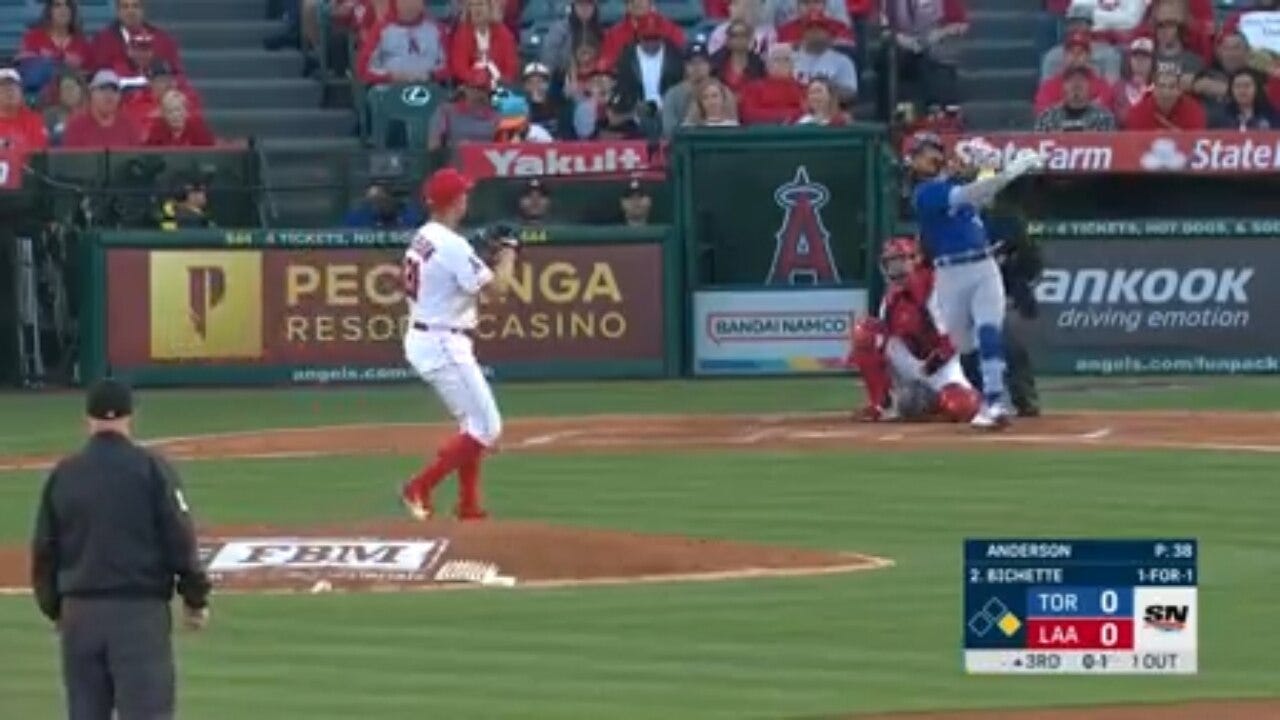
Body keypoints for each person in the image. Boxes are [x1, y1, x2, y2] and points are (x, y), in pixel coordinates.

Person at [31, 379, 211, 720]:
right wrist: (194, 598)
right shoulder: (151, 469)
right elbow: (180, 539)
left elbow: (44, 551)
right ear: (130, 417)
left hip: (80, 616)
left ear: (88, 419)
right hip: (138, 616)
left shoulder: (64, 475)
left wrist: (56, 609)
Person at [399, 168, 519, 521]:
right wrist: (509, 251)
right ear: (456, 202)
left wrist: (483, 251)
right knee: (489, 428)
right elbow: (498, 290)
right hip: (442, 341)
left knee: (472, 425)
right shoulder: (452, 244)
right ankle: (419, 486)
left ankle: (469, 505)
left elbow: (456, 271)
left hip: (429, 336)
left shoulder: (426, 234)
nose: (468, 198)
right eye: (464, 194)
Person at [907, 132, 1045, 429]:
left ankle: (994, 404)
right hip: (950, 274)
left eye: (934, 150)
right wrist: (1009, 171)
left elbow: (984, 195)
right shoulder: (923, 193)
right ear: (913, 161)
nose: (931, 156)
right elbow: (968, 195)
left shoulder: (954, 182)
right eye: (923, 152)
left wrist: (991, 166)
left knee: (989, 331)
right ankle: (985, 397)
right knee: (964, 344)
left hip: (984, 266)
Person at [846, 237, 981, 423]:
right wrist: (892, 378)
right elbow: (883, 342)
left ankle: (930, 402)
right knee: (866, 332)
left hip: (940, 364)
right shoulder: (890, 298)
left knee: (962, 406)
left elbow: (952, 338)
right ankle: (882, 405)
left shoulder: (934, 288)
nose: (895, 270)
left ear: (915, 260)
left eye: (899, 262)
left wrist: (936, 361)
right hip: (910, 360)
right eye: (890, 264)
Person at [878, 0, 968, 119]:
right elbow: (885, 29)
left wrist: (939, 33)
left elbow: (961, 25)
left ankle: (936, 114)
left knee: (932, 62)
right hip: (904, 46)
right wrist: (899, 39)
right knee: (885, 60)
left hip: (934, 45)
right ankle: (888, 118)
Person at [357, 0, 447, 85]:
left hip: (430, 87)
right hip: (392, 89)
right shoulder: (381, 29)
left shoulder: (437, 29)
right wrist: (391, 76)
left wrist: (430, 75)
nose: (410, 4)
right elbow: (364, 69)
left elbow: (449, 65)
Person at [88, 0, 184, 76]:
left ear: (143, 10)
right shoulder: (102, 41)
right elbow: (98, 75)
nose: (131, 11)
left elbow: (177, 74)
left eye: (135, 6)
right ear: (118, 11)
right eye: (125, 7)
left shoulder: (163, 40)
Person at [1033, 30, 1114, 114]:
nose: (1076, 56)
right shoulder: (1049, 87)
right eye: (1071, 52)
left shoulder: (1103, 86)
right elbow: (1041, 113)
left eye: (1080, 52)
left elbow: (1107, 114)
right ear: (1064, 56)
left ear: (1088, 57)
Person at [614, 14, 686, 108]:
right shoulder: (626, 58)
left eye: (655, 38)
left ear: (663, 36)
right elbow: (623, 89)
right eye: (647, 38)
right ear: (638, 36)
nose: (651, 43)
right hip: (636, 112)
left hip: (670, 110)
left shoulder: (676, 56)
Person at [1040, 3, 1121, 82]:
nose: (1076, 27)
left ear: (1091, 26)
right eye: (1072, 23)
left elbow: (1112, 88)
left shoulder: (1108, 54)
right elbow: (1046, 89)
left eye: (1081, 23)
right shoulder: (1052, 56)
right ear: (1065, 27)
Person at [427, 67, 499, 155]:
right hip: (454, 162)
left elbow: (505, 147)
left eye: (483, 90)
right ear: (465, 89)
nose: (479, 93)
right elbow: (433, 146)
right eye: (475, 88)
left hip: (489, 162)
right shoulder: (446, 111)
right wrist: (456, 148)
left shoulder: (495, 116)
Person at [62, 70, 142, 148]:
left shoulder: (129, 125)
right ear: (91, 93)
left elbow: (137, 159)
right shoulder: (76, 126)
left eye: (114, 90)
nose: (109, 95)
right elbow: (72, 160)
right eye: (103, 89)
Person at [18, 0, 92, 82]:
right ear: (49, 11)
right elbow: (26, 70)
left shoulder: (83, 43)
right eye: (57, 5)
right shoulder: (32, 38)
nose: (63, 9)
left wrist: (74, 71)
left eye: (68, 5)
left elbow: (88, 75)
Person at [448, 0, 519, 85]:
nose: (477, 9)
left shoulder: (503, 34)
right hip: (472, 86)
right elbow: (459, 67)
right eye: (472, 5)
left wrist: (502, 80)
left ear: (490, 8)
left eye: (480, 4)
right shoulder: (462, 34)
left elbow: (511, 67)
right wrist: (474, 78)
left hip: (500, 84)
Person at [793, 11, 859, 102]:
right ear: (803, 33)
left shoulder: (843, 61)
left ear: (829, 34)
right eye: (810, 28)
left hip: (829, 112)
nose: (815, 32)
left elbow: (850, 93)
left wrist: (825, 91)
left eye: (820, 28)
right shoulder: (790, 59)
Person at [600, 0, 685, 67]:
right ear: (626, 5)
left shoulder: (670, 29)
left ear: (650, 2)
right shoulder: (613, 35)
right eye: (631, 0)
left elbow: (679, 59)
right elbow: (608, 64)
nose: (636, 3)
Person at [1034, 65, 1118, 131]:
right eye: (1071, 80)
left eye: (1081, 79)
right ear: (1064, 86)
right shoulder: (1048, 117)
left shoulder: (1103, 117)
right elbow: (1038, 147)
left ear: (1090, 86)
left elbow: (1112, 148)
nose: (1076, 84)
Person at [1123, 65, 1207, 129]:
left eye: (1172, 86)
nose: (1166, 92)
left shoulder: (1194, 110)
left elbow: (1195, 143)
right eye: (1162, 86)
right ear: (1153, 90)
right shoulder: (1137, 112)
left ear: (1179, 90)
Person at [739, 43, 806, 124]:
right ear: (767, 64)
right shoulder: (753, 88)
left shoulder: (802, 89)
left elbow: (807, 113)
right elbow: (749, 114)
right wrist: (790, 115)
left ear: (793, 64)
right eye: (777, 59)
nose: (782, 63)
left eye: (787, 59)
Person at [662, 43, 715, 135]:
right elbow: (669, 131)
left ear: (709, 65)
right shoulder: (672, 94)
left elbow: (731, 126)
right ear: (685, 66)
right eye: (692, 63)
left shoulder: (722, 91)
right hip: (683, 146)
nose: (697, 67)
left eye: (702, 62)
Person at [540, 0, 604, 76]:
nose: (584, 9)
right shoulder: (560, 29)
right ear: (573, 7)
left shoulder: (600, 31)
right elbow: (549, 57)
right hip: (564, 77)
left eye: (589, 5)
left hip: (594, 77)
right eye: (580, 5)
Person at [0, 67, 50, 152]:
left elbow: (39, 154)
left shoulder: (34, 120)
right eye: (3, 88)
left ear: (21, 92)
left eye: (14, 87)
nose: (9, 91)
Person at [710, 20, 766, 95]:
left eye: (744, 35)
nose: (739, 38)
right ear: (728, 40)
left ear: (750, 39)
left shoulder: (760, 65)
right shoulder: (715, 64)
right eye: (735, 35)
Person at [144, 89, 216, 146]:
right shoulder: (155, 132)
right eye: (170, 111)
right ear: (164, 115)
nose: (175, 115)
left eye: (178, 110)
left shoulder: (199, 130)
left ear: (185, 111)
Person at [1210, 69, 1278, 129]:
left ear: (1257, 88)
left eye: (1247, 86)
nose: (1242, 90)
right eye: (1237, 86)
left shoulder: (1271, 114)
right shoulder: (1221, 116)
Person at [1110, 36, 1155, 124]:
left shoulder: (1160, 88)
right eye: (1135, 57)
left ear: (1153, 62)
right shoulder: (1117, 88)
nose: (1140, 61)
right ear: (1129, 61)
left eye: (1145, 58)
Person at [708, 0, 777, 56]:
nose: (729, 8)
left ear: (749, 6)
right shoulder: (720, 33)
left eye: (734, 4)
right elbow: (714, 61)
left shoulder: (768, 33)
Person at [343, 181, 424, 228]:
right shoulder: (357, 218)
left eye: (382, 198)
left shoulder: (410, 216)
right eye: (374, 200)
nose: (379, 204)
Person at [43, 70, 86, 145]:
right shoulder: (49, 115)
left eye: (71, 88)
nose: (69, 92)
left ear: (80, 89)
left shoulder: (92, 113)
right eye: (64, 89)